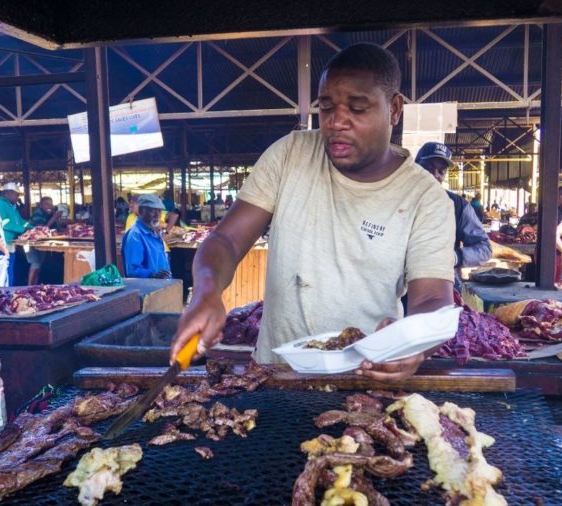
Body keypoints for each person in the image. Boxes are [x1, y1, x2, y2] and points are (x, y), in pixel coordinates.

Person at [171, 43, 455, 382]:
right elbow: (226, 241)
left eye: (357, 107)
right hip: (274, 377)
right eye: (327, 107)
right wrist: (206, 292)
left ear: (394, 109)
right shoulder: (290, 154)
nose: (336, 122)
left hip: (364, 380)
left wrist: (413, 343)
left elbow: (434, 298)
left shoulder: (426, 197)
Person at [415, 142, 492, 289]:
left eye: (441, 171)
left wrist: (455, 257)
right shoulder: (398, 199)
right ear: (415, 167)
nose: (435, 175)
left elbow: (484, 248)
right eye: (428, 168)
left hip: (443, 287)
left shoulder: (458, 206)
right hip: (398, 290)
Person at [122, 194, 172, 279]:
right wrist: (153, 274)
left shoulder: (154, 232)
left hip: (161, 286)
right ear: (141, 211)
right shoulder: (135, 235)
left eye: (159, 211)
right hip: (148, 289)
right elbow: (132, 270)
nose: (157, 215)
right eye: (152, 211)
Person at [0, 182, 32, 285]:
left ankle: (8, 289)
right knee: (6, 271)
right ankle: (6, 292)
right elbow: (5, 223)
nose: (18, 197)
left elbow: (20, 221)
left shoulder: (11, 206)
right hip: (3, 243)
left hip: (11, 243)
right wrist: (22, 230)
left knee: (11, 270)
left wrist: (32, 228)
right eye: (16, 194)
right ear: (8, 193)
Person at [27, 196, 62, 285]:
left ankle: (35, 284)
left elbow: (56, 227)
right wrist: (54, 217)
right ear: (41, 205)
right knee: (35, 263)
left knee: (40, 263)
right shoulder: (38, 214)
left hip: (41, 242)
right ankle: (29, 286)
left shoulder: (48, 213)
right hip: (32, 241)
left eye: (51, 204)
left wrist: (57, 218)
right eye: (47, 204)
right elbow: (41, 229)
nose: (50, 206)